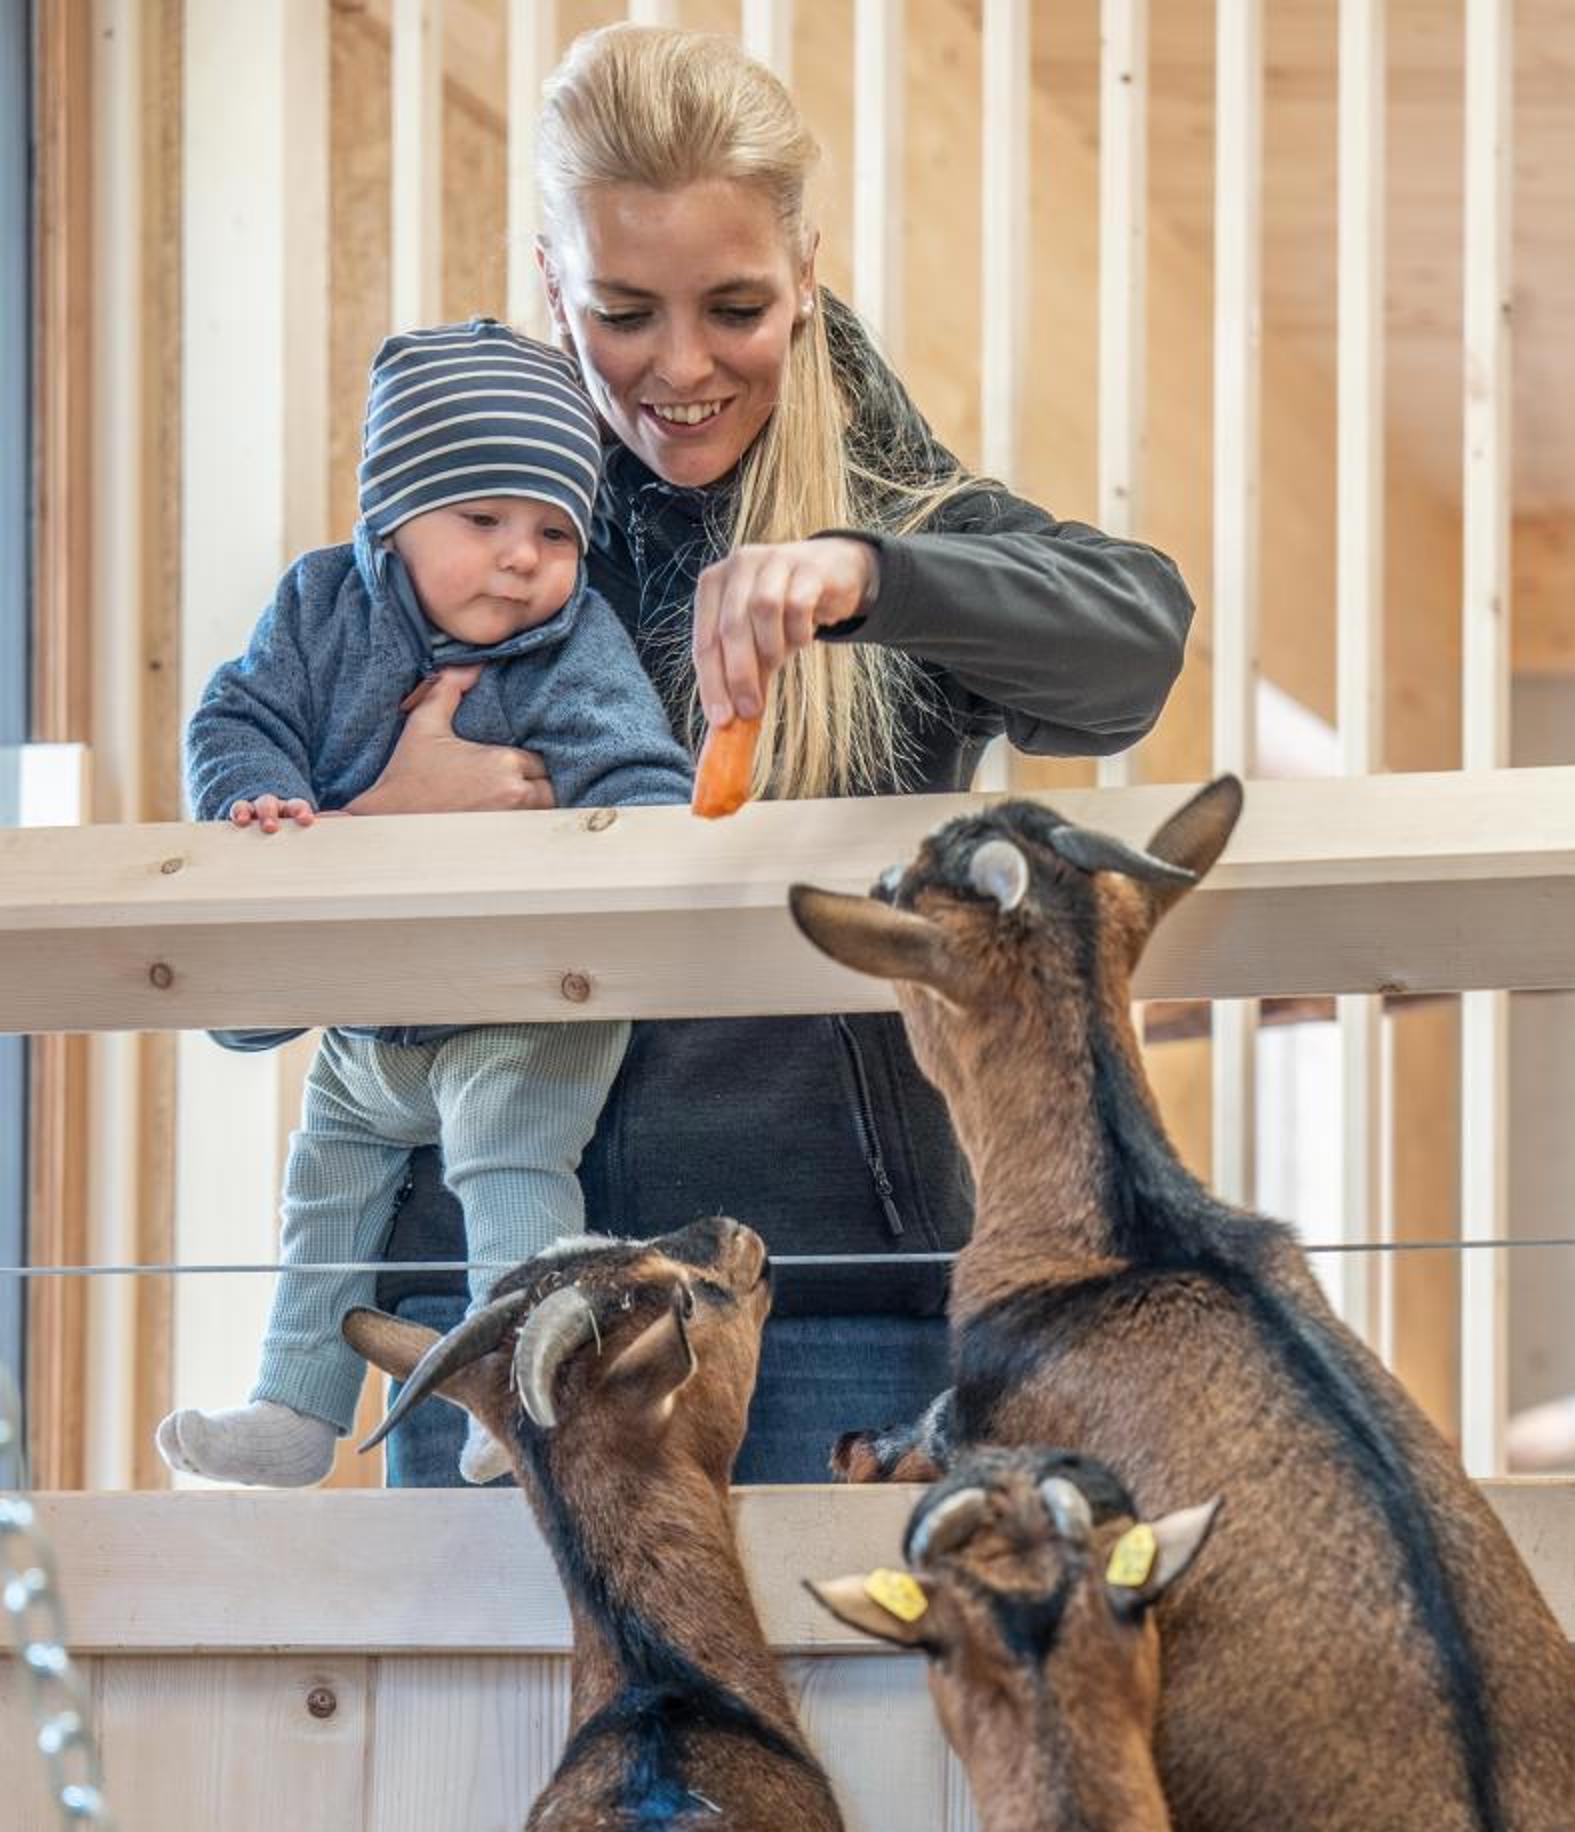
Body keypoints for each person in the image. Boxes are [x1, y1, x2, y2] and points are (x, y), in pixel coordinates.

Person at [360, 21, 1194, 1486]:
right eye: (624, 312)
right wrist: (375, 819)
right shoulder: (453, 552)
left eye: (734, 306)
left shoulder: (905, 526)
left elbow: (1134, 647)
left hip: (834, 1308)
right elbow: (242, 970)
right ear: (553, 283)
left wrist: (870, 578)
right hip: (490, 1308)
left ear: (806, 275)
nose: (680, 366)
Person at [158, 317, 694, 1487]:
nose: (522, 558)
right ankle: (293, 1409)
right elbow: (236, 717)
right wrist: (258, 800)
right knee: (325, 1187)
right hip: (371, 1013)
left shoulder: (574, 646)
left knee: (510, 1166)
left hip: (521, 1005)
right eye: (483, 520)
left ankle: (518, 1395)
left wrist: (625, 849)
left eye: (555, 532)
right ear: (392, 517)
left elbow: (642, 781)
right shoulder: (317, 607)